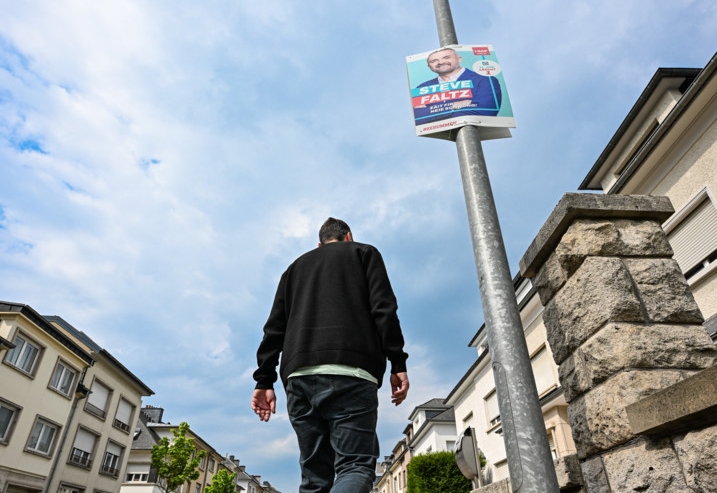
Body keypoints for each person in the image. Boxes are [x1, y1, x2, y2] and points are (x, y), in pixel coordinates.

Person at [251, 217, 410, 493]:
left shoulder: (294, 269)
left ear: (319, 244)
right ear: (349, 237)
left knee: (314, 479)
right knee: (356, 467)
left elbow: (274, 328)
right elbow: (384, 309)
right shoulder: (364, 253)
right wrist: (397, 361)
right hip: (351, 372)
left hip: (298, 377)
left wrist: (264, 380)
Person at [413, 47, 502, 124]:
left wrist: (432, 112)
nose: (440, 62)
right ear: (429, 66)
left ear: (459, 59)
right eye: (433, 61)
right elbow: (418, 118)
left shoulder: (485, 80)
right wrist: (453, 105)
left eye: (446, 57)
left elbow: (486, 112)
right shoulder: (421, 88)